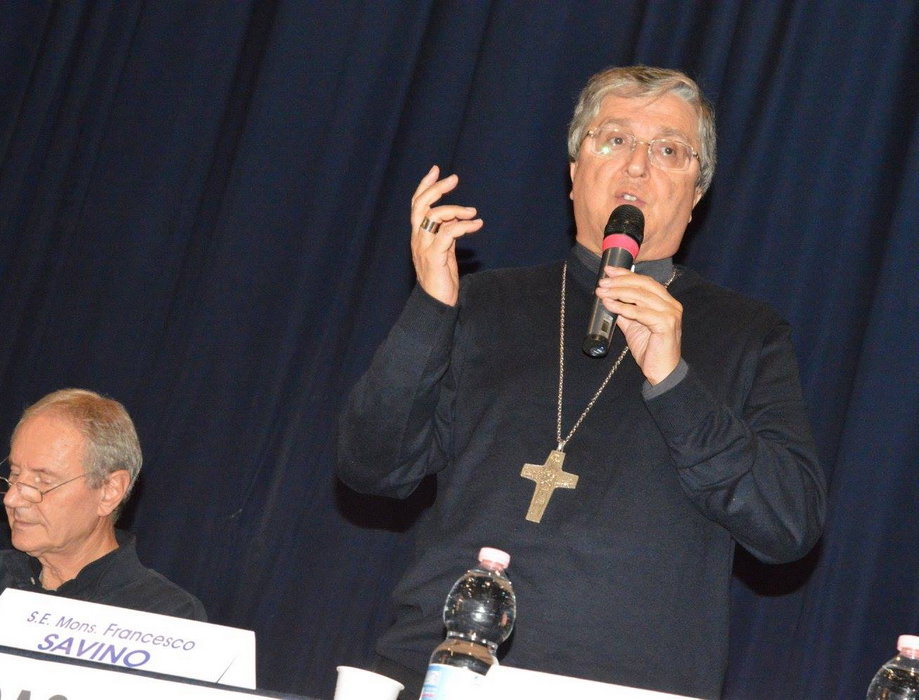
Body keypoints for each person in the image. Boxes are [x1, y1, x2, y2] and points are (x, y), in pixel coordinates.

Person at [337, 66, 826, 699]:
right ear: (573, 172)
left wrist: (674, 382)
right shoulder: (484, 302)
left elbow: (788, 526)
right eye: (615, 139)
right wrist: (431, 308)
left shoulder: (748, 334)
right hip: (444, 670)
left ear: (697, 194)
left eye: (669, 150)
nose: (637, 166)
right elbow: (371, 467)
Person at [0, 388, 208, 622]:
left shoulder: (165, 615)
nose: (11, 498)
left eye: (43, 481)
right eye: (14, 475)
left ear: (109, 491)